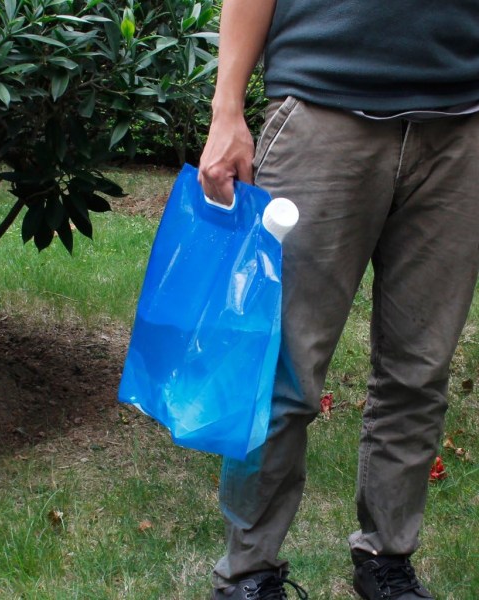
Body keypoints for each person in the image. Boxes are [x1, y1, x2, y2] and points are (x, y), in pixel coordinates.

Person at [198, 1, 479, 599]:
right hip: (322, 108)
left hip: (463, 121)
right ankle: (247, 575)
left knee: (419, 372)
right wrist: (228, 108)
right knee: (284, 368)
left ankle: (387, 563)